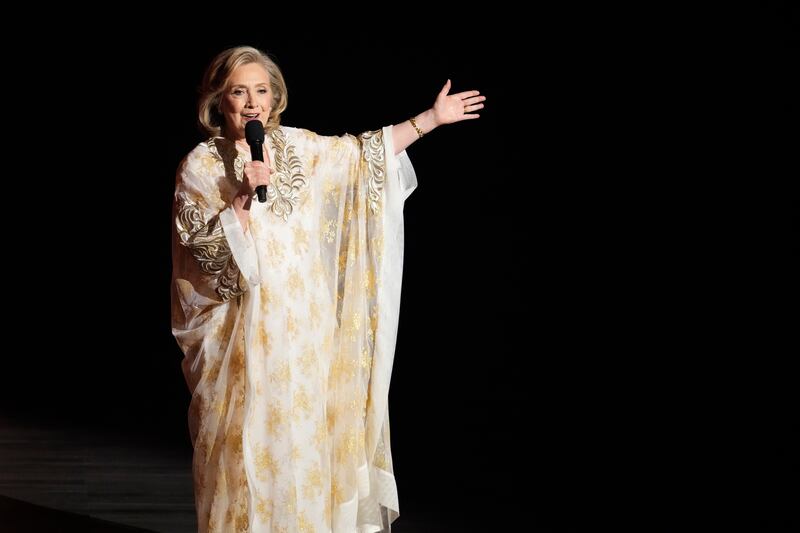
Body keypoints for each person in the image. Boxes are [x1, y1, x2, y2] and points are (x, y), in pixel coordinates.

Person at [171, 45, 485, 533]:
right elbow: (205, 266)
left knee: (307, 452)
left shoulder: (302, 148)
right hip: (247, 345)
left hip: (308, 336)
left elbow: (363, 157)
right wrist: (241, 204)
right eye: (239, 91)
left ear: (275, 99)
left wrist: (431, 119)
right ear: (219, 100)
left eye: (261, 90)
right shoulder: (200, 166)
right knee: (254, 456)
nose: (252, 102)